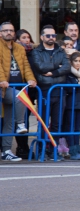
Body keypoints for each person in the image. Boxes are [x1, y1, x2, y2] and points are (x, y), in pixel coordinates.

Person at [29, 25, 71, 158]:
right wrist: (57, 67)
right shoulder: (36, 52)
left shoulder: (60, 51)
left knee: (57, 124)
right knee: (43, 123)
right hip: (44, 91)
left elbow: (67, 67)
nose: (51, 38)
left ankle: (53, 150)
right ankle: (41, 150)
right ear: (42, 37)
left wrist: (53, 72)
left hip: (59, 91)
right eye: (48, 35)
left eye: (53, 35)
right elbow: (39, 67)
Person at [0, 22, 36, 162]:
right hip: (3, 87)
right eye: (5, 30)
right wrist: (2, 80)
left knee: (9, 121)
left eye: (11, 30)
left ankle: (6, 151)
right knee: (18, 98)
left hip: (15, 86)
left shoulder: (19, 48)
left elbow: (26, 65)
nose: (8, 32)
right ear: (0, 33)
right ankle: (21, 123)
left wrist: (31, 79)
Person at [13, 29, 36, 158]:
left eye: (28, 37)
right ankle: (20, 147)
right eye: (23, 37)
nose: (27, 40)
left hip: (30, 91)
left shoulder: (33, 53)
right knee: (15, 121)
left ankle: (24, 147)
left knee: (24, 121)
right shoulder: (15, 52)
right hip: (17, 90)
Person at [63, 51, 80, 161]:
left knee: (77, 128)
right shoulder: (68, 72)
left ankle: (77, 150)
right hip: (70, 104)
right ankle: (72, 151)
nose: (78, 63)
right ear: (71, 62)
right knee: (70, 128)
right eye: (75, 61)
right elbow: (67, 87)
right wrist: (77, 84)